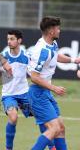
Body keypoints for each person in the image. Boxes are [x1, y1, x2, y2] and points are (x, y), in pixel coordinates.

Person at [0, 30, 56, 150]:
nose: (9, 41)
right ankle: (9, 148)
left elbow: (34, 73)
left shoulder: (26, 56)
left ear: (19, 41)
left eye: (12, 39)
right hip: (9, 95)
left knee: (41, 117)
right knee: (13, 117)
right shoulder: (3, 57)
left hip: (25, 94)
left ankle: (52, 147)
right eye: (8, 39)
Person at [28, 16, 80, 150]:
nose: (59, 30)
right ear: (51, 31)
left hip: (45, 93)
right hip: (37, 94)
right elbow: (34, 77)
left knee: (60, 128)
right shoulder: (41, 51)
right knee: (54, 128)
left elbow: (56, 56)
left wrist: (74, 60)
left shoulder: (52, 44)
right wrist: (54, 88)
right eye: (57, 28)